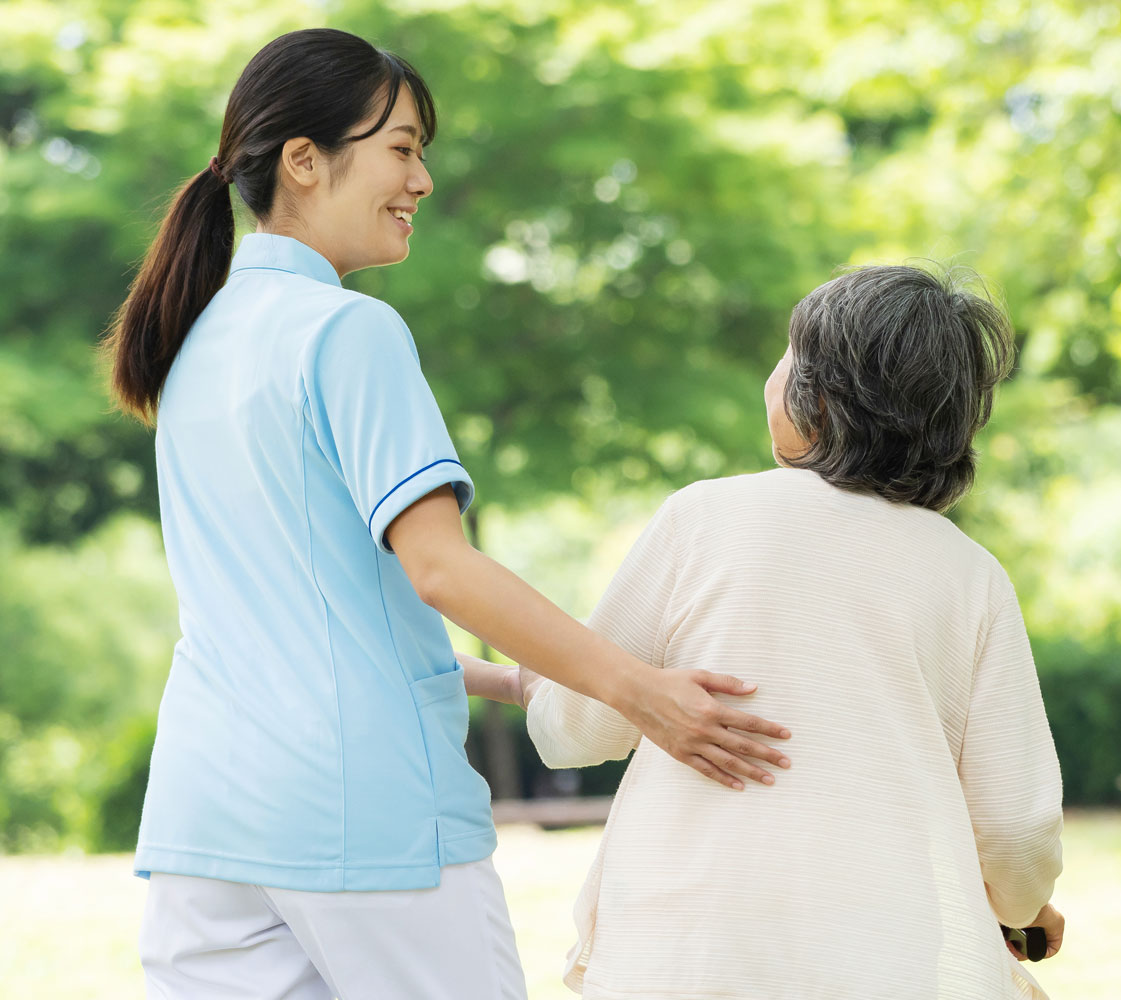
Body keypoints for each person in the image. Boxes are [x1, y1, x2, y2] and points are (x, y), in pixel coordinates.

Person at [105, 28, 791, 1000]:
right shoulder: (349, 330)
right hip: (365, 815)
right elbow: (439, 568)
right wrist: (641, 691)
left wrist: (507, 681)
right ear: (305, 161)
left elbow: (303, 610)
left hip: (206, 825)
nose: (421, 179)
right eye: (401, 147)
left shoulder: (193, 345)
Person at [475, 263, 1067, 1000]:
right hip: (882, 958)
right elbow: (1013, 827)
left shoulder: (703, 519)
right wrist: (1021, 908)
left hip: (684, 952)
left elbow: (575, 730)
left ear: (813, 397)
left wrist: (533, 686)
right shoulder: (973, 577)